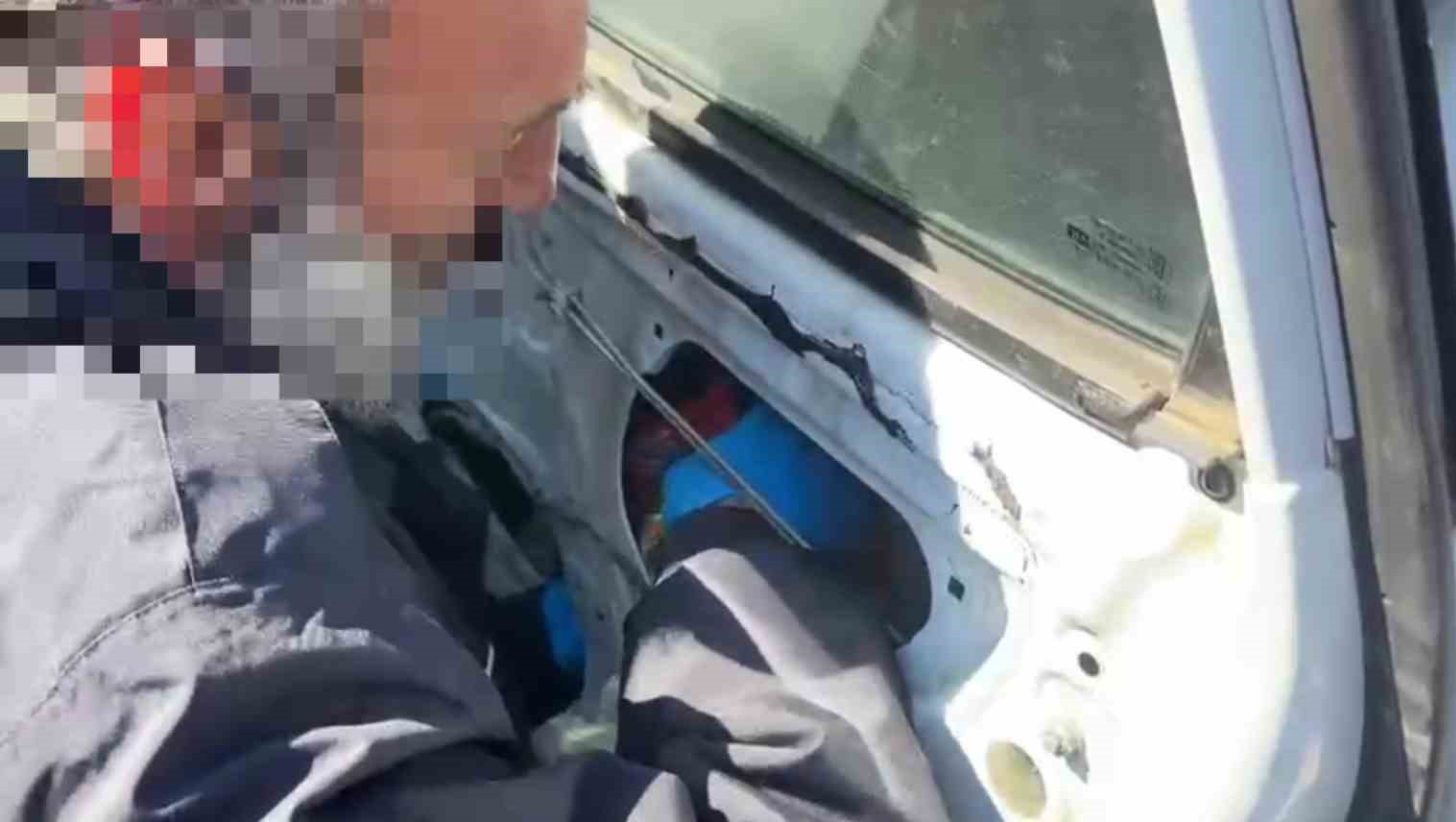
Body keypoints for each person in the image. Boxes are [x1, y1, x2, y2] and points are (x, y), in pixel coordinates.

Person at [0, 2, 950, 820]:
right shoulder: (197, 634)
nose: (538, 190)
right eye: (501, 138)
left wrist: (484, 649)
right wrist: (751, 591)